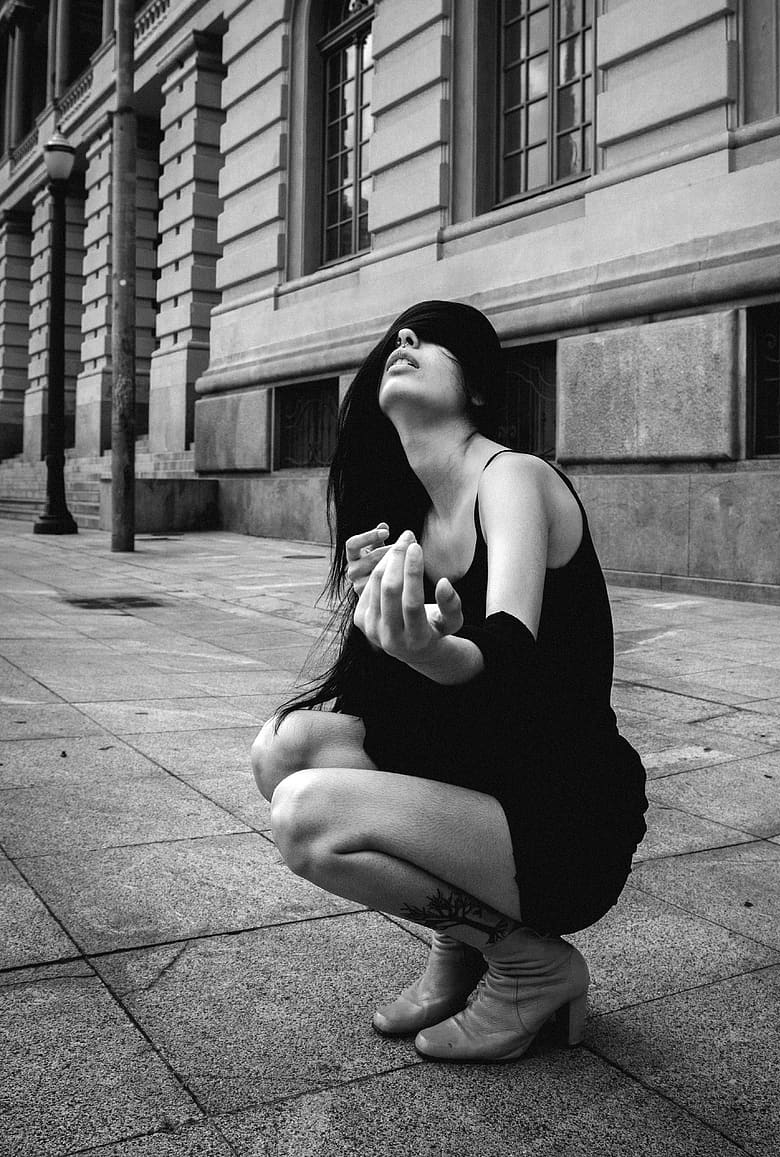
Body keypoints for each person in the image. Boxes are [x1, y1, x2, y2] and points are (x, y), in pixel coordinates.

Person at [251, 300, 647, 1062]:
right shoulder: (414, 520)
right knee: (282, 750)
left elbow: (512, 653)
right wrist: (384, 632)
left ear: (479, 390)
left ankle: (529, 963)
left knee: (304, 817)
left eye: (431, 337)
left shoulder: (512, 478)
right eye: (397, 331)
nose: (403, 338)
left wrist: (436, 652)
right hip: (489, 788)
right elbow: (406, 721)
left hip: (564, 815)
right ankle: (465, 940)